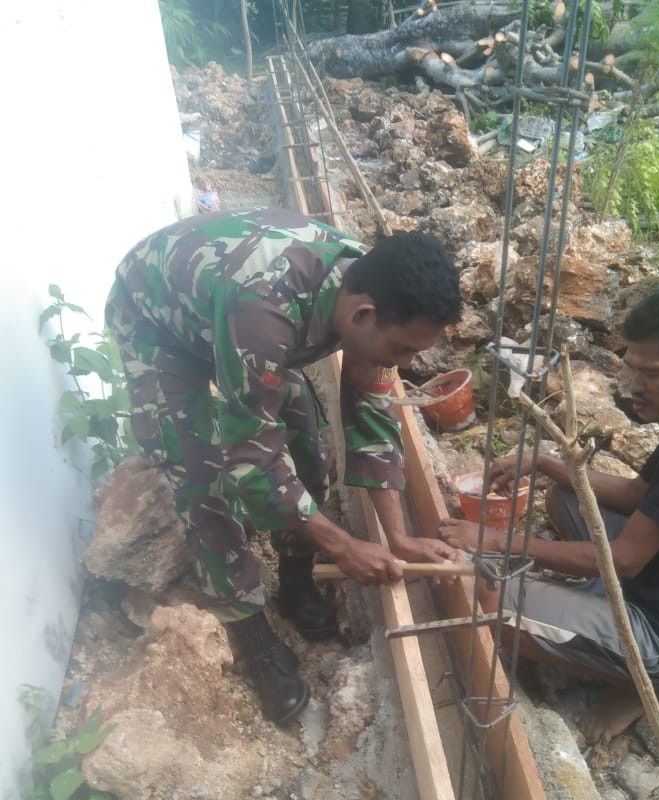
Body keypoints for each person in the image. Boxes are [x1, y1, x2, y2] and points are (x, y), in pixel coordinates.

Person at [105, 207, 463, 725]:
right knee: (201, 471)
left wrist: (398, 538)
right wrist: (343, 544)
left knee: (304, 441)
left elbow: (372, 418)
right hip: (157, 320)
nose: (405, 363)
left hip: (228, 312)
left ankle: (296, 579)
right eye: (403, 349)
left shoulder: (368, 291)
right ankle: (249, 627)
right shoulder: (263, 311)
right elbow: (252, 461)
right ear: (362, 316)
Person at [439, 286, 659, 741]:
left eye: (652, 374)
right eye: (633, 370)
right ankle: (592, 618)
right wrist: (549, 462)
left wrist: (496, 541)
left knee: (488, 603)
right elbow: (637, 495)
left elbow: (624, 560)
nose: (634, 387)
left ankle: (640, 679)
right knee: (565, 497)